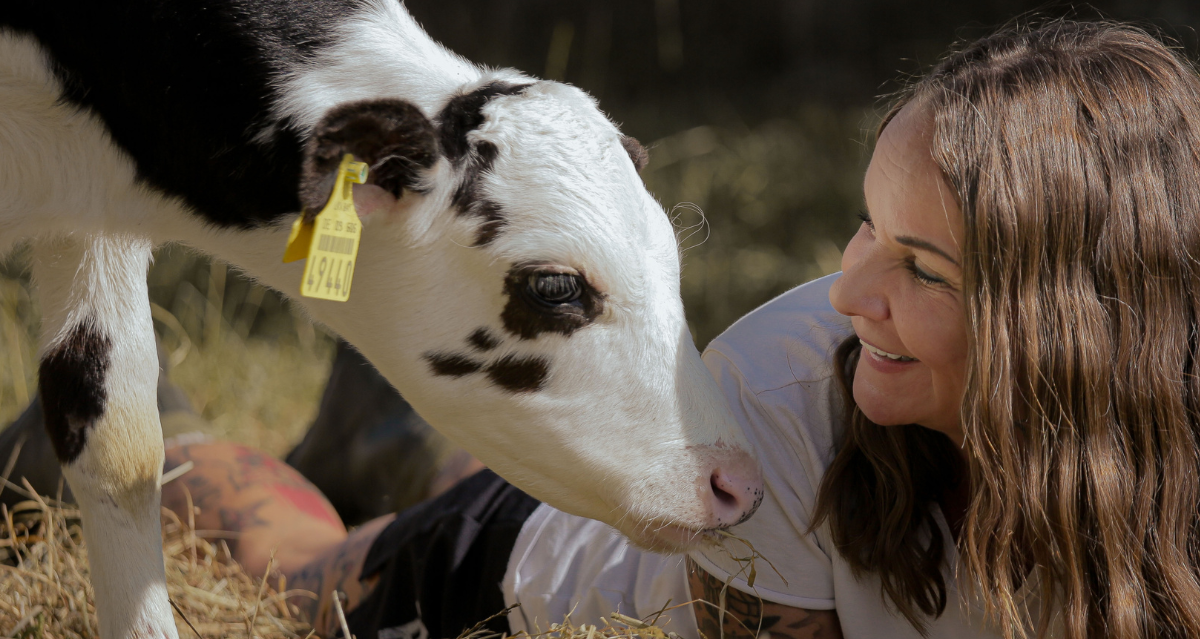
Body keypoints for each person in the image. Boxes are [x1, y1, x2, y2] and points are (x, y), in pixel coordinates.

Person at [7, 18, 1200, 639]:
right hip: (534, 562)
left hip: (623, 479)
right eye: (863, 227)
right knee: (297, 572)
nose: (846, 291)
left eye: (920, 267)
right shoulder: (794, 406)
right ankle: (170, 429)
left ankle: (402, 437)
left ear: (1072, 331)